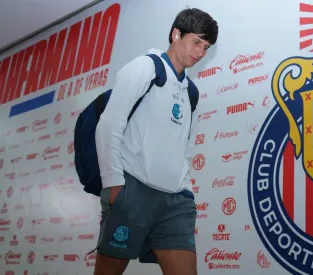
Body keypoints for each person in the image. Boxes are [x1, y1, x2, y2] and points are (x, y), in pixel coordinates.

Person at [91, 7, 218, 275]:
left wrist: (186, 188)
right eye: (196, 42)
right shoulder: (144, 68)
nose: (200, 52)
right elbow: (109, 125)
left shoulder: (191, 92)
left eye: (206, 47)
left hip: (175, 201)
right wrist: (114, 184)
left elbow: (186, 149)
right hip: (132, 189)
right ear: (176, 34)